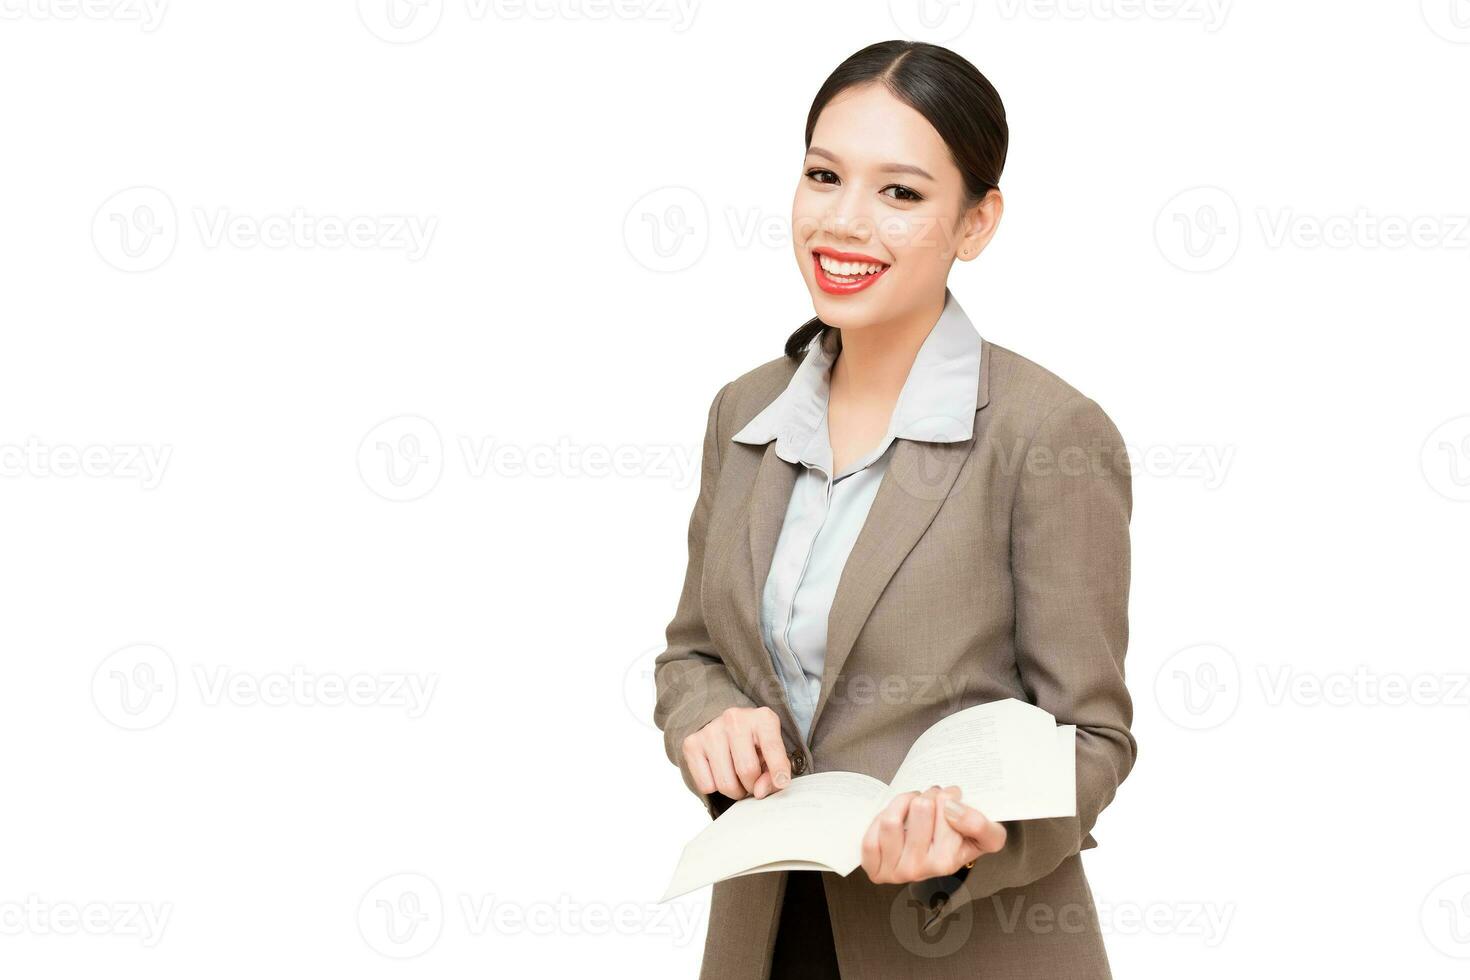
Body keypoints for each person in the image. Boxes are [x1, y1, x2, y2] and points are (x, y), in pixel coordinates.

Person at [653, 39, 1135, 979]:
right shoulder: (744, 413)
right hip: (762, 933)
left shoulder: (1047, 433)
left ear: (976, 222)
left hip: (963, 943)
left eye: (901, 193)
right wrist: (706, 720)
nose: (844, 223)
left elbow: (1095, 738)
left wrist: (973, 835)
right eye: (823, 175)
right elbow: (692, 655)